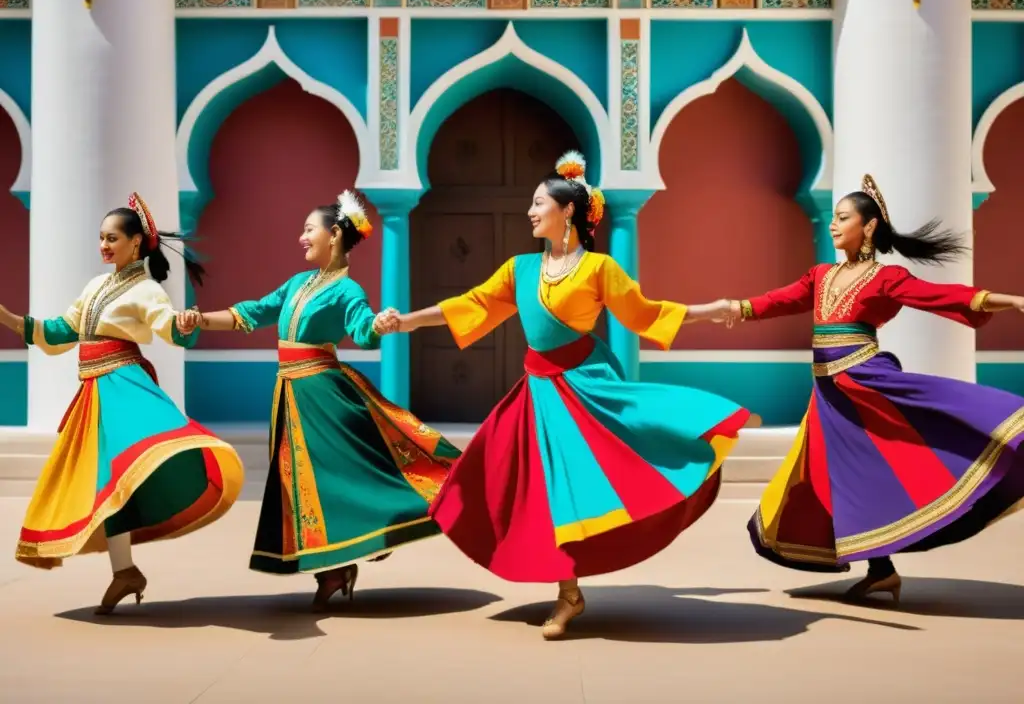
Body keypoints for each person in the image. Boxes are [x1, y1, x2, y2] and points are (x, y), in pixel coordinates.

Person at [384, 151, 758, 640]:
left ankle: (568, 594)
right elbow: (469, 304)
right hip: (535, 394)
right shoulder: (519, 269)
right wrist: (406, 321)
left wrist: (711, 310)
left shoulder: (599, 269)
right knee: (514, 485)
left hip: (585, 389)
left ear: (567, 213)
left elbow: (646, 313)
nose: (530, 212)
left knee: (574, 492)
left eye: (539, 203)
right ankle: (571, 591)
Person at [717, 174, 1024, 603]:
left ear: (869, 227)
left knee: (878, 468)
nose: (833, 224)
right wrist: (735, 309)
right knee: (842, 478)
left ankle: (884, 564)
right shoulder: (821, 275)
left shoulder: (886, 278)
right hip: (829, 395)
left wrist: (1008, 300)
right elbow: (780, 300)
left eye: (843, 218)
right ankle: (881, 569)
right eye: (834, 217)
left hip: (865, 382)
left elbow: (943, 296)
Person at [176, 191, 461, 610]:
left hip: (325, 397)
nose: (301, 238)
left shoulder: (347, 290)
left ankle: (369, 540)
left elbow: (362, 330)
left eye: (309, 229)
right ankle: (333, 569)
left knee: (337, 479)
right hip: (290, 395)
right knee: (300, 484)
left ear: (335, 236)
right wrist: (201, 318)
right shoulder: (298, 283)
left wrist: (379, 325)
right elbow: (253, 313)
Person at [0, 193, 244, 614]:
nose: (104, 245)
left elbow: (168, 328)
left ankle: (126, 568)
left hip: (123, 384)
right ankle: (124, 570)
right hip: (96, 392)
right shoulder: (96, 286)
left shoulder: (147, 290)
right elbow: (61, 330)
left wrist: (185, 324)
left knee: (121, 472)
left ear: (136, 243)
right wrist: (6, 316)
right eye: (101, 238)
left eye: (112, 238)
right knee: (108, 483)